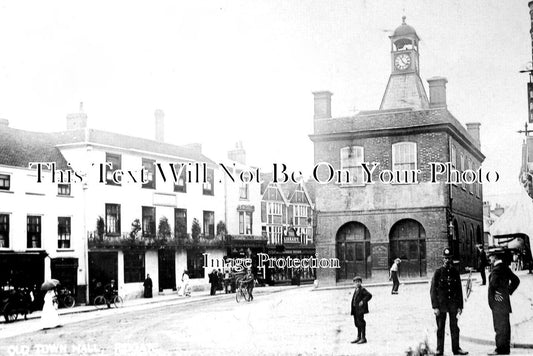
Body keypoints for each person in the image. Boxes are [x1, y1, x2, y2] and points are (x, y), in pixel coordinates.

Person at [430, 248, 468, 356]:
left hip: (453, 305)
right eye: (445, 258)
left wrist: (460, 306)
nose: (447, 260)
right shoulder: (438, 272)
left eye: (449, 258)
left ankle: (456, 349)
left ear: (451, 259)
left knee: (454, 327)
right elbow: (433, 290)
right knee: (440, 327)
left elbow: (459, 290)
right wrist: (435, 307)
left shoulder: (455, 272)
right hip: (441, 305)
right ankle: (439, 350)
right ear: (443, 259)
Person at [487, 248, 520, 355]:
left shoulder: (496, 269)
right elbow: (516, 280)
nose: (489, 258)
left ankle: (500, 349)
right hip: (504, 302)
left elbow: (493, 284)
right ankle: (505, 349)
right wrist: (507, 292)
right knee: (505, 325)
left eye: (491, 256)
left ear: (495, 257)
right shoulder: (505, 268)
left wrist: (499, 293)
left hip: (498, 303)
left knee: (499, 326)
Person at [350, 276, 372, 344]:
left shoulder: (362, 289)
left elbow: (369, 295)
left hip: (360, 309)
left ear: (360, 282)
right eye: (355, 282)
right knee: (357, 323)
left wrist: (363, 301)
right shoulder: (356, 289)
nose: (357, 283)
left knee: (361, 323)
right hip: (355, 309)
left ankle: (363, 338)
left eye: (358, 282)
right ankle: (358, 337)